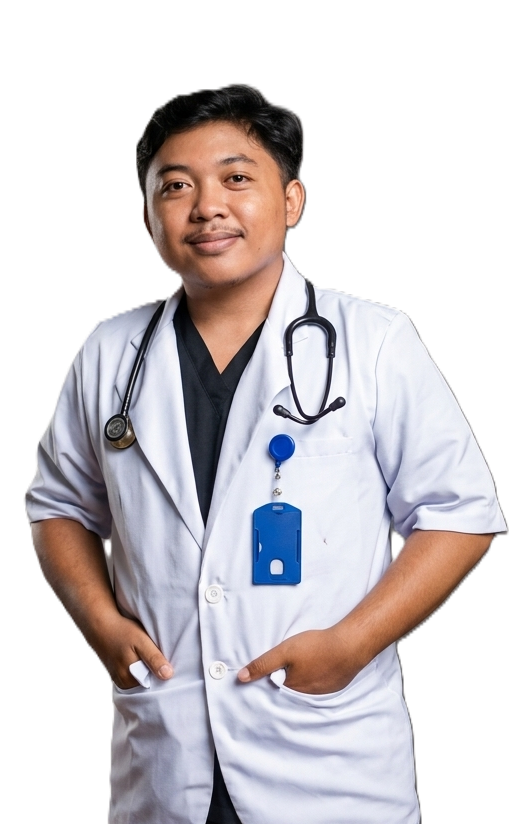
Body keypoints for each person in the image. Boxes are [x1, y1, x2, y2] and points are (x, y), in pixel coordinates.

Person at [25, 84, 506, 824]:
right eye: (175, 186)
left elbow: (458, 513)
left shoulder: (372, 340)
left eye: (236, 178)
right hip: (165, 749)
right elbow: (58, 507)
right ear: (147, 218)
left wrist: (351, 644)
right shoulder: (109, 349)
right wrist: (101, 626)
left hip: (323, 754)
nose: (206, 207)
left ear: (291, 201)